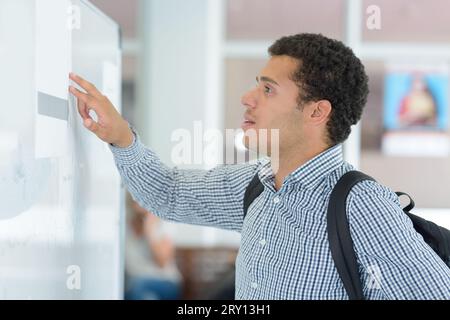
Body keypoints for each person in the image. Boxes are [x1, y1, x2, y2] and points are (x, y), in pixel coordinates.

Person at [69, 33, 450, 299]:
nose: (247, 98)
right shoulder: (255, 186)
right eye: (257, 84)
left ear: (317, 112)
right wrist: (121, 137)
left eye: (267, 89)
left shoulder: (361, 205)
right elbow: (166, 194)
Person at [125, 193, 182, 300]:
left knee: (140, 287)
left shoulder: (164, 223)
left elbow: (162, 262)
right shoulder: (124, 227)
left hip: (165, 282)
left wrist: (149, 230)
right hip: (134, 284)